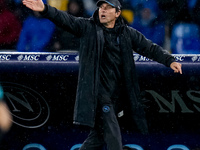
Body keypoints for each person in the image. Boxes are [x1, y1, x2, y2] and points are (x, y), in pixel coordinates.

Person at [22, 0, 182, 149]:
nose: (102, 10)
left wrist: (169, 60)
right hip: (97, 95)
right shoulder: (88, 27)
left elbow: (149, 47)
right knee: (113, 137)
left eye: (107, 7)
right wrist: (45, 9)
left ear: (118, 13)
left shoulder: (126, 33)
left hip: (116, 96)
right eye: (101, 7)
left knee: (96, 138)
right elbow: (65, 19)